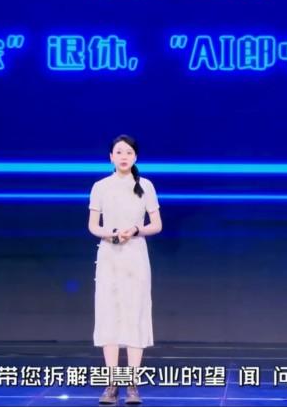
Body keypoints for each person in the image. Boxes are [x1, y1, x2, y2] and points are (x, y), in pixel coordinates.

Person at [88, 135, 162, 405]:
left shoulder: (146, 185)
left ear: (135, 157)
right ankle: (111, 384)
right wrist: (110, 234)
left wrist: (136, 230)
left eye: (128, 152)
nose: (123, 156)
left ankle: (132, 384)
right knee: (108, 315)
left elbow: (157, 224)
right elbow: (93, 226)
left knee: (135, 315)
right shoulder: (100, 186)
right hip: (109, 255)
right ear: (110, 156)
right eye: (118, 152)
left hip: (135, 256)